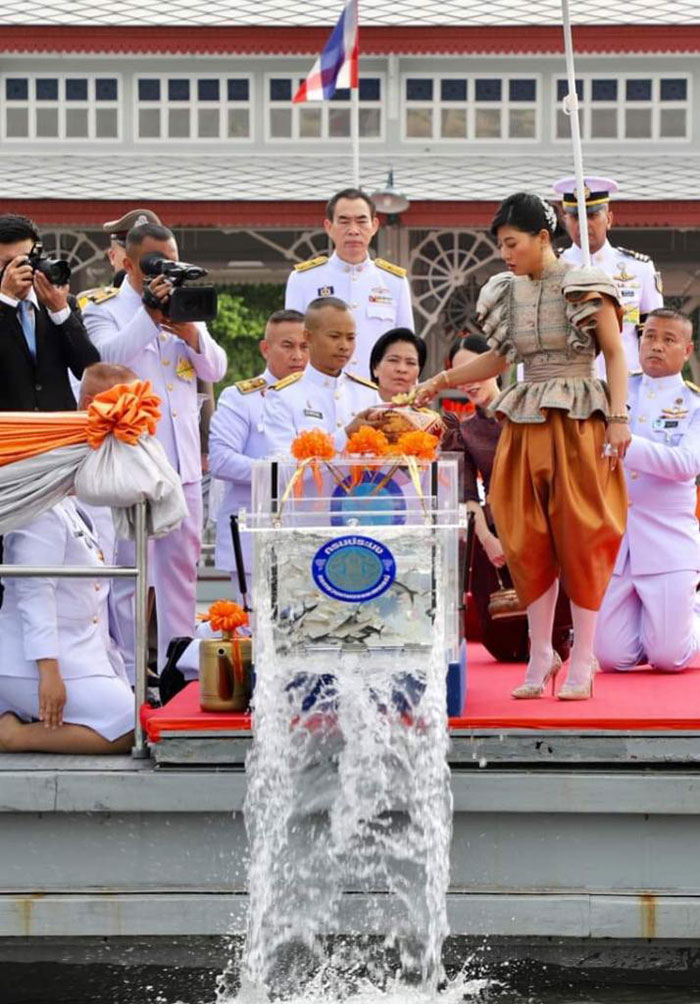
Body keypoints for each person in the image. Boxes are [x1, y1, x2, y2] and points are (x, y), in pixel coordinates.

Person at [416, 192, 629, 701]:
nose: (506, 254)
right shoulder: (506, 291)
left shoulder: (585, 283)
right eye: (501, 246)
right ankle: (540, 655)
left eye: (513, 243)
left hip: (579, 415)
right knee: (525, 534)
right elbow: (497, 358)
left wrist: (619, 418)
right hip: (525, 414)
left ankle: (582, 657)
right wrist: (440, 378)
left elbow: (617, 354)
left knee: (581, 532)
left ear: (541, 237)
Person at [82, 222, 227, 679]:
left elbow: (216, 367)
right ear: (126, 262)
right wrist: (147, 315)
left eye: (170, 258)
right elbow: (104, 359)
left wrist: (189, 332)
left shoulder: (183, 303)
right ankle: (127, 675)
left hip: (180, 466)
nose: (163, 271)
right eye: (152, 263)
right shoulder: (104, 307)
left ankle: (177, 672)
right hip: (130, 462)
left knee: (179, 577)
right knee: (128, 577)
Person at [442, 335, 572, 663]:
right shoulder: (464, 430)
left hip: (544, 532)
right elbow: (466, 493)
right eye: (461, 374)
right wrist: (487, 541)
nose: (469, 382)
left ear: (497, 367)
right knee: (505, 647)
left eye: (476, 370)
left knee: (555, 641)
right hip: (496, 538)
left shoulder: (532, 413)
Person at [595, 309, 700, 672]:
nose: (656, 345)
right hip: (616, 540)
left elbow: (686, 463)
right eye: (650, 336)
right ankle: (658, 629)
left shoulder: (694, 404)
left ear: (687, 351)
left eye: (668, 340)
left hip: (667, 543)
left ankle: (689, 619)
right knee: (611, 658)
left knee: (669, 659)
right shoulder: (615, 390)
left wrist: (626, 443)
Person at [209, 309, 308, 587]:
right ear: (266, 349)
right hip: (255, 534)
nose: (298, 356)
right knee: (254, 627)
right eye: (287, 346)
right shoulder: (241, 398)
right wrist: (283, 474)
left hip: (310, 536)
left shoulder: (323, 398)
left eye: (305, 346)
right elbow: (221, 461)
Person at [285, 188, 415, 378]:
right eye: (344, 221)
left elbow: (407, 349)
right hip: (320, 394)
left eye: (362, 221)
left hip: (376, 394)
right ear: (329, 227)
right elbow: (292, 343)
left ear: (374, 226)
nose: (353, 230)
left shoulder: (394, 281)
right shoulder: (303, 279)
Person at [553, 176, 663, 372]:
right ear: (565, 220)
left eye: (593, 216)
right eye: (576, 216)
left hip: (626, 388)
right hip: (568, 387)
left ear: (609, 219)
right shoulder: (552, 268)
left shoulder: (639, 268)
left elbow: (656, 334)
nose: (584, 224)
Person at [0, 213, 99, 411]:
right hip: (8, 431)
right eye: (9, 263)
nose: (21, 270)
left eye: (27, 260)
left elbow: (89, 368)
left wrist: (61, 312)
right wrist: (5, 300)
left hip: (57, 429)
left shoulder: (60, 302)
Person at [263, 297, 381, 457]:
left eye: (351, 338)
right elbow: (284, 468)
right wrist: (344, 435)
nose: (344, 346)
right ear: (308, 337)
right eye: (334, 336)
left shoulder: (368, 394)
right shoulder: (283, 396)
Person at [78, 208, 163, 308]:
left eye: (148, 252)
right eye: (131, 251)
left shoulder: (174, 301)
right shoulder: (91, 304)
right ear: (112, 256)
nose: (140, 260)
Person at [369, 327, 426, 402]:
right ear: (375, 368)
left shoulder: (423, 413)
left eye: (411, 363)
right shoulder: (355, 408)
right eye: (393, 360)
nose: (402, 369)